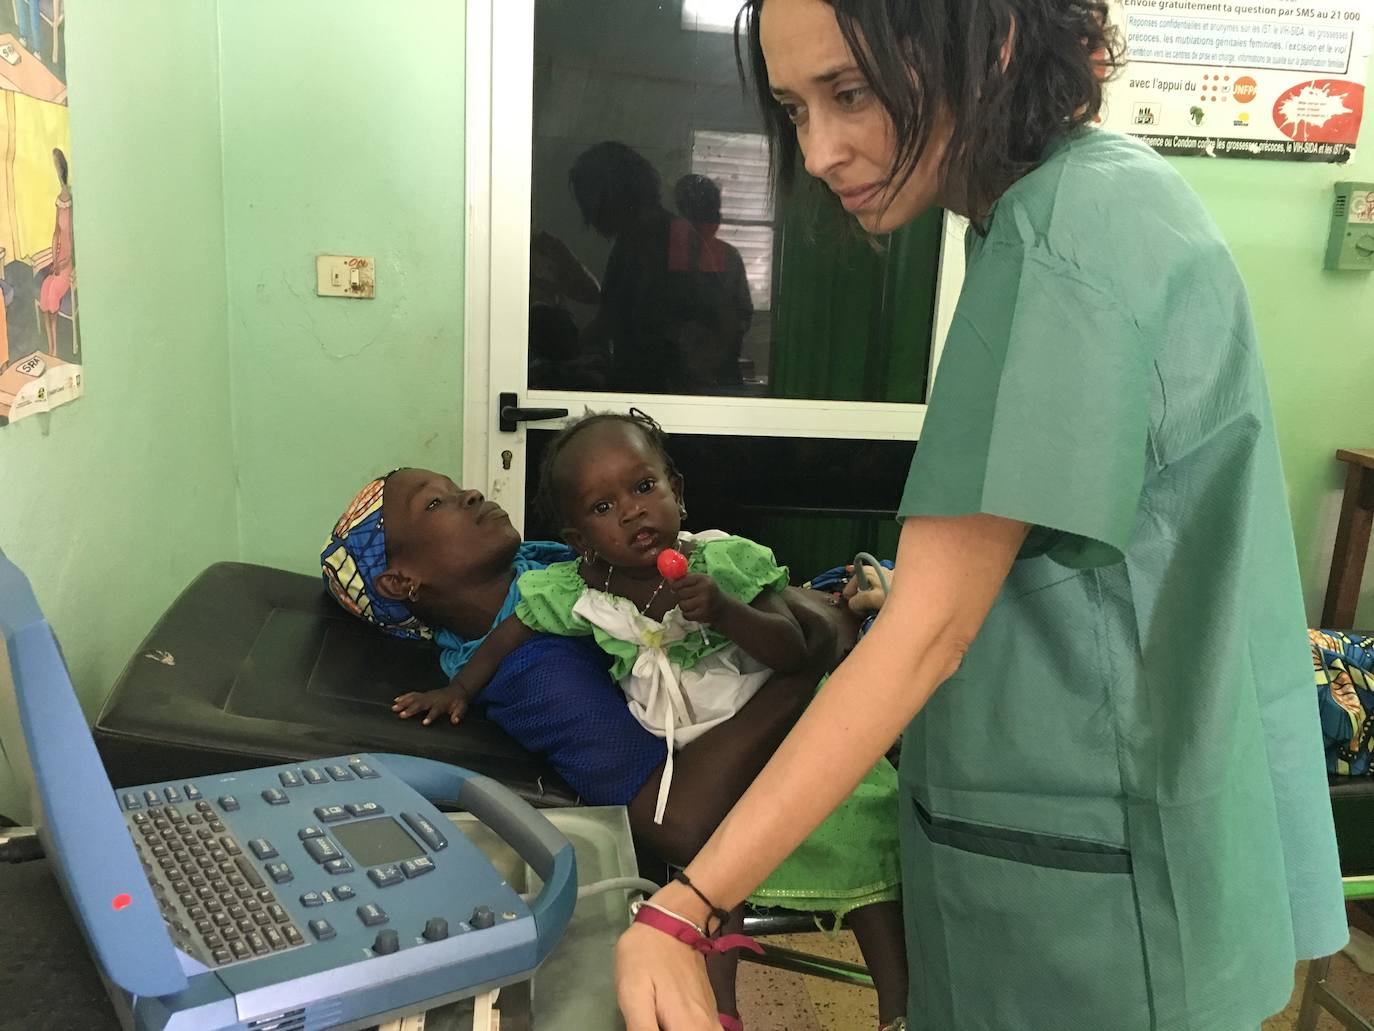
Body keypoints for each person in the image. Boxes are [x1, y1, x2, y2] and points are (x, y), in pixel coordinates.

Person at [613, 2, 1346, 1030]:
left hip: (1098, 869)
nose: (820, 150)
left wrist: (688, 905)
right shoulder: (1068, 206)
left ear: (991, 37)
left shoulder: (1073, 231)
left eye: (850, 93)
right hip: (1088, 824)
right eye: (794, 109)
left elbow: (933, 630)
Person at [321, 463, 907, 1028]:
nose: (471, 495)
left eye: (456, 488)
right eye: (435, 502)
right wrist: (820, 659)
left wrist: (797, 602)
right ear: (400, 582)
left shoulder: (538, 566)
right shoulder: (539, 674)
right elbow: (672, 824)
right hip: (807, 720)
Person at [39, 148, 73, 358]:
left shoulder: (75, 200)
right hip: (59, 259)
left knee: (52, 293)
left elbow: (76, 240)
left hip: (70, 263)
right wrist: (54, 259)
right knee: (45, 288)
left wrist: (67, 261)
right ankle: (51, 346)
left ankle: (55, 349)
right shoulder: (59, 200)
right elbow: (55, 233)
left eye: (57, 167)